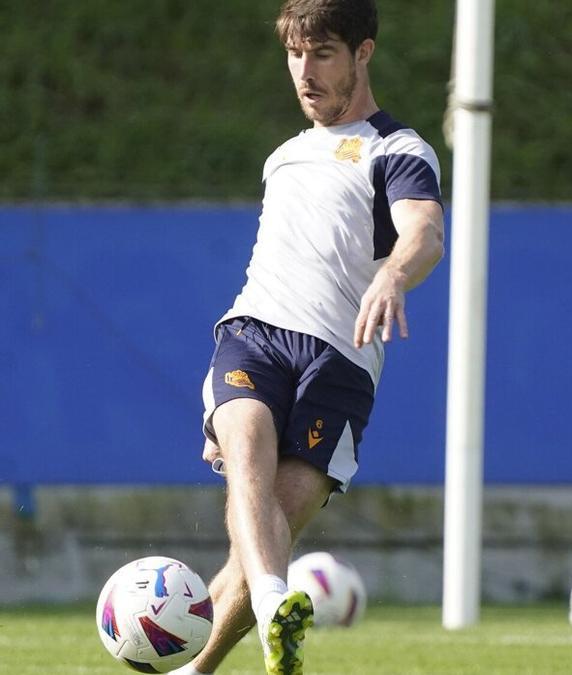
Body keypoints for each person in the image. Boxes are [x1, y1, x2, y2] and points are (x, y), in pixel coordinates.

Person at [171, 1, 444, 673]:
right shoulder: (284, 157)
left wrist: (394, 278)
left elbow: (424, 232)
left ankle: (199, 662)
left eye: (322, 53)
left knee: (261, 533)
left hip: (342, 361)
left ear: (364, 53)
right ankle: (273, 596)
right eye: (296, 54)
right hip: (255, 334)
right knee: (247, 453)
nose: (305, 70)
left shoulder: (397, 149)